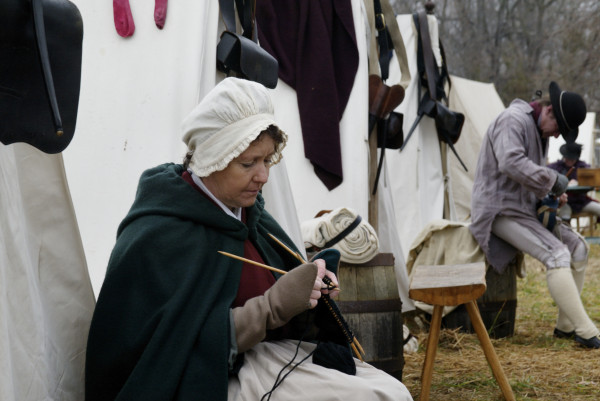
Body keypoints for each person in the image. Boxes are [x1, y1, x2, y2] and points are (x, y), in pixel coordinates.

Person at [84, 77, 413, 400]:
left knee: (391, 390)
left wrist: (309, 289)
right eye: (248, 163)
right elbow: (167, 352)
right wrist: (271, 308)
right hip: (215, 379)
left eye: (267, 160)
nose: (263, 176)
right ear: (213, 158)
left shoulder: (247, 215)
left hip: (271, 358)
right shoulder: (157, 235)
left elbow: (275, 294)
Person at [470, 81, 600, 349]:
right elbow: (510, 162)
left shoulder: (537, 128)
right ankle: (586, 331)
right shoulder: (512, 120)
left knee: (579, 247)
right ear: (549, 110)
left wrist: (550, 194)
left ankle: (566, 327)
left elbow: (529, 179)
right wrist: (553, 180)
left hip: (524, 210)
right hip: (498, 210)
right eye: (559, 130)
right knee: (557, 254)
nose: (556, 137)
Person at [547, 141, 600, 221]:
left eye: (572, 159)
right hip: (564, 202)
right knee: (565, 217)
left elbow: (592, 180)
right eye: (568, 158)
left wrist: (579, 182)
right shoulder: (555, 167)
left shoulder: (583, 167)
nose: (570, 161)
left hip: (581, 201)